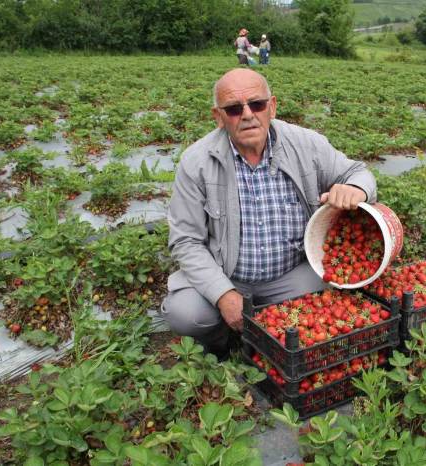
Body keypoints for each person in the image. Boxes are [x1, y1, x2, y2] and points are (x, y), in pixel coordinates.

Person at [162, 69, 377, 357]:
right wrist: (224, 295)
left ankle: (275, 331)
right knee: (186, 313)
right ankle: (220, 342)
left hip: (292, 274)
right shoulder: (197, 162)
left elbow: (358, 172)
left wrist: (356, 189)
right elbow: (186, 241)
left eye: (257, 104)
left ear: (272, 106)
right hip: (228, 274)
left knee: (337, 295)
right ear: (219, 116)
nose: (248, 114)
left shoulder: (306, 144)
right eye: (234, 109)